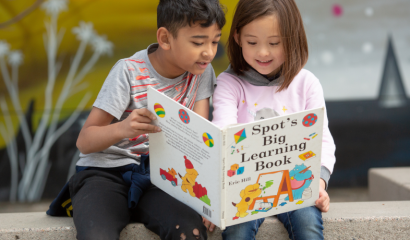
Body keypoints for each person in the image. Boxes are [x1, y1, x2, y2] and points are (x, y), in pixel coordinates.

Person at [46, 0, 226, 239]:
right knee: (97, 235)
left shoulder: (202, 72)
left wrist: (208, 202)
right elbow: (85, 141)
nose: (209, 52)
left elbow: (200, 142)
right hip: (105, 173)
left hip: (162, 178)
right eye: (198, 42)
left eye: (215, 41)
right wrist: (123, 128)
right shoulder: (128, 72)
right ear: (164, 39)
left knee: (190, 230)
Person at [211, 0, 336, 239]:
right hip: (245, 187)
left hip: (296, 185)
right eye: (252, 42)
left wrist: (319, 182)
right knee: (236, 231)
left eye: (274, 43)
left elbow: (322, 140)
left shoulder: (306, 83)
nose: (263, 52)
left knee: (309, 224)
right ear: (237, 37)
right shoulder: (229, 83)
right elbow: (223, 133)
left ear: (292, 38)